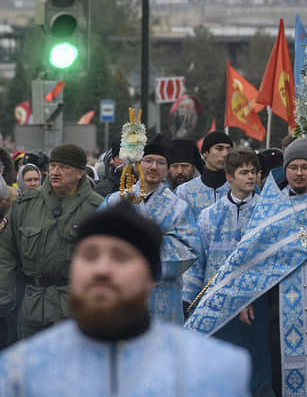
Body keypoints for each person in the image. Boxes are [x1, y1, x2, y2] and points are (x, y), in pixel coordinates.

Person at [186, 137, 307, 396]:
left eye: (305, 166)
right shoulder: (271, 210)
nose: (299, 173)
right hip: (283, 314)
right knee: (283, 384)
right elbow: (251, 258)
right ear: (286, 169)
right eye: (293, 167)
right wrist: (245, 297)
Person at [0, 201, 250, 395]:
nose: (102, 269)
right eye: (89, 255)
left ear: (151, 276)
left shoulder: (215, 369)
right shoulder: (21, 372)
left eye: (121, 257)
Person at [0, 144, 103, 341]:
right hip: (33, 306)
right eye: (53, 166)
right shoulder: (25, 205)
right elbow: (5, 251)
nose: (55, 172)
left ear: (80, 172)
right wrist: (3, 296)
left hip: (74, 307)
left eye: (64, 167)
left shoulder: (96, 208)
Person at [100, 135, 200, 324]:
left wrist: (139, 252)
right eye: (148, 161)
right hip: (122, 294)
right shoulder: (115, 201)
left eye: (160, 162)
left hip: (163, 296)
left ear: (167, 168)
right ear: (138, 164)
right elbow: (99, 238)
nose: (154, 167)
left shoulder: (179, 207)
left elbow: (190, 248)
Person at [183, 147, 260, 314]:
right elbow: (197, 263)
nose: (251, 177)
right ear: (229, 176)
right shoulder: (209, 216)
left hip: (255, 304)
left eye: (253, 172)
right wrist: (187, 299)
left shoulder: (265, 211)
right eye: (244, 172)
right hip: (215, 305)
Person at [175, 131, 233, 222]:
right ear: (205, 153)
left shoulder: (238, 187)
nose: (225, 154)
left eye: (228, 149)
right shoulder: (184, 192)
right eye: (219, 148)